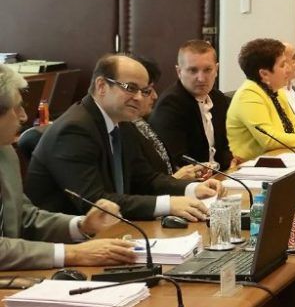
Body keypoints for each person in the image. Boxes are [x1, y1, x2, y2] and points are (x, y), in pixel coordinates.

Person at [25, 55, 220, 221]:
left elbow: (146, 179)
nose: (139, 97)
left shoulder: (122, 123)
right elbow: (95, 203)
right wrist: (168, 204)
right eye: (130, 88)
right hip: (71, 240)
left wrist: (193, 189)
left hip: (114, 231)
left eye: (143, 91)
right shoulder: (74, 130)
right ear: (101, 86)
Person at [0, 65, 137, 270]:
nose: (23, 117)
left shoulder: (5, 153)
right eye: (16, 108)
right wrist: (72, 253)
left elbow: (25, 217)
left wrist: (81, 226)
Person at [227, 38, 295, 162]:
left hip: (281, 159)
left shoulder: (277, 90)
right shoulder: (248, 96)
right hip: (252, 167)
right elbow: (270, 140)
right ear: (264, 74)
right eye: (282, 65)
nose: (288, 69)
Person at [149, 40, 233, 170]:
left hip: (221, 174)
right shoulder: (170, 105)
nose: (201, 78)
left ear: (216, 70)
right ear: (179, 71)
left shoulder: (218, 99)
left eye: (207, 70)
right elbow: (178, 160)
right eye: (193, 70)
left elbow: (225, 147)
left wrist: (232, 161)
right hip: (193, 179)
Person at [132, 56, 204, 180]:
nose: (155, 96)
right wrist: (174, 180)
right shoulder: (122, 130)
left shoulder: (144, 123)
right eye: (147, 91)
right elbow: (138, 184)